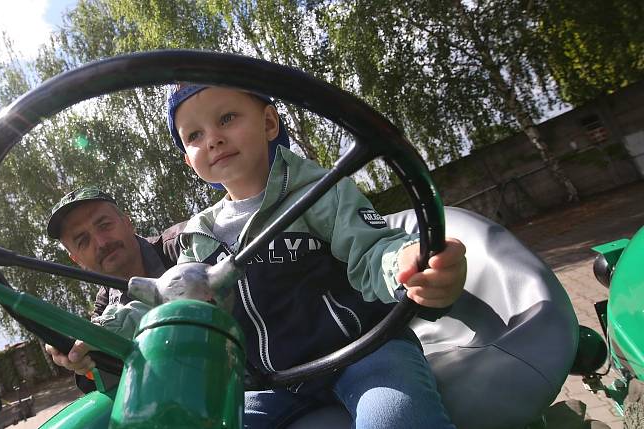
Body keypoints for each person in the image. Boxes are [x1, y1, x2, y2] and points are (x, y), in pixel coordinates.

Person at [153, 84, 467, 428]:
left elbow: (373, 250)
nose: (212, 139)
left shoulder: (321, 192)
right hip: (268, 381)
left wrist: (408, 263)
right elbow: (171, 302)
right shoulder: (199, 235)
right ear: (187, 159)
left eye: (227, 118)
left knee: (395, 417)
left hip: (363, 352)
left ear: (269, 123)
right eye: (194, 135)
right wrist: (107, 335)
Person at [42, 185, 183, 377]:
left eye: (104, 225)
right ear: (77, 260)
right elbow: (107, 378)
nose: (101, 243)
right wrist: (76, 356)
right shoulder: (104, 304)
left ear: (127, 223)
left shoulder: (182, 247)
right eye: (83, 241)